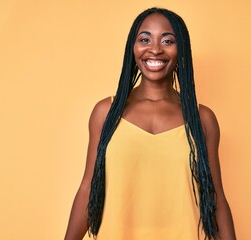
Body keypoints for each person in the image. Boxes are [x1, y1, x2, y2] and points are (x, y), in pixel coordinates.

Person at [65, 7, 236, 240]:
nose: (155, 49)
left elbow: (216, 199)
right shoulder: (106, 113)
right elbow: (88, 188)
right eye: (145, 39)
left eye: (168, 41)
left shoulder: (202, 120)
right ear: (132, 48)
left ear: (181, 50)